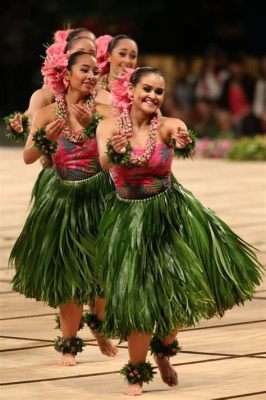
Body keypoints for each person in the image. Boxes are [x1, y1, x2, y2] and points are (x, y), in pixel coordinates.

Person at [96, 67, 263, 396]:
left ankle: (164, 350)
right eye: (146, 88)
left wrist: (184, 142)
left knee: (179, 297)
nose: (152, 96)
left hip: (171, 215)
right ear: (130, 90)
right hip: (129, 220)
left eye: (159, 91)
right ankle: (136, 371)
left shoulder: (171, 125)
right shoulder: (110, 126)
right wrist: (114, 150)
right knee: (140, 298)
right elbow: (103, 162)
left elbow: (182, 141)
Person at [9, 51, 118, 366]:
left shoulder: (105, 113)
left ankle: (99, 326)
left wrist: (92, 129)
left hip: (99, 196)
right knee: (69, 275)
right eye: (84, 69)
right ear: (66, 75)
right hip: (63, 200)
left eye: (95, 71)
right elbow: (28, 157)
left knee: (103, 274)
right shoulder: (46, 114)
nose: (91, 75)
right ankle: (69, 343)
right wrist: (45, 139)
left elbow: (112, 158)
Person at [95, 34, 138, 106]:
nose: (127, 61)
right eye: (122, 54)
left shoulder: (138, 91)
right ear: (109, 56)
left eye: (133, 56)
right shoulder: (93, 87)